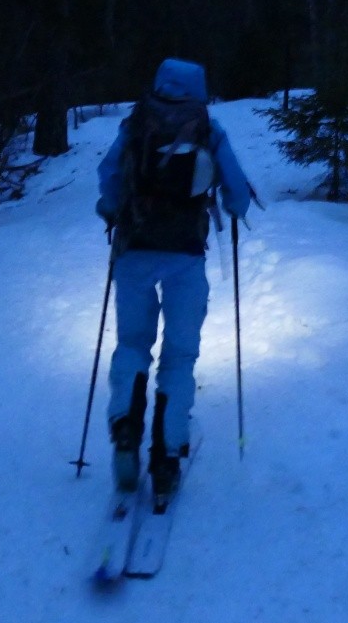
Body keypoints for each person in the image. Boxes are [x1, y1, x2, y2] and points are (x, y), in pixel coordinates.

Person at [96, 58, 250, 499]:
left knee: (132, 343)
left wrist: (112, 209)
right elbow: (237, 193)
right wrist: (233, 207)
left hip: (134, 249)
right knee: (179, 356)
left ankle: (125, 424)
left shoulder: (135, 125)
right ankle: (166, 455)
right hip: (185, 253)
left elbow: (109, 176)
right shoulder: (208, 129)